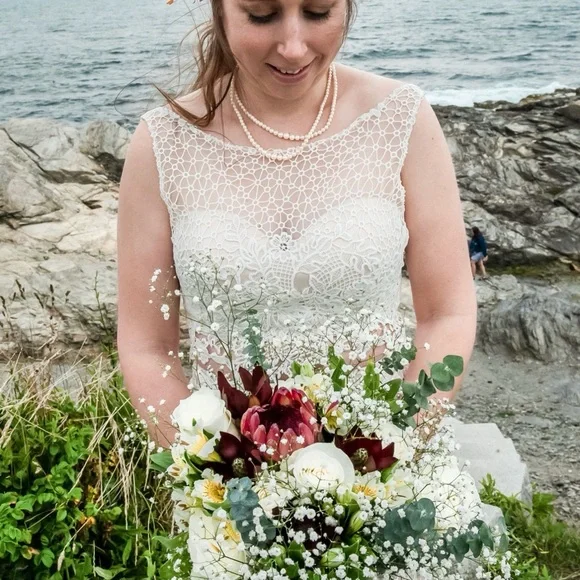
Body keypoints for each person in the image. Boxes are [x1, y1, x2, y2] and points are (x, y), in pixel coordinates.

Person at [117, 0, 477, 446]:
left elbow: (447, 314)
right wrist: (207, 468)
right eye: (261, 15)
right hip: (220, 472)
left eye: (318, 12)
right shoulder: (162, 142)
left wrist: (391, 451)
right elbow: (147, 348)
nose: (293, 47)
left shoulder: (402, 119)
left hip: (385, 459)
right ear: (220, 10)